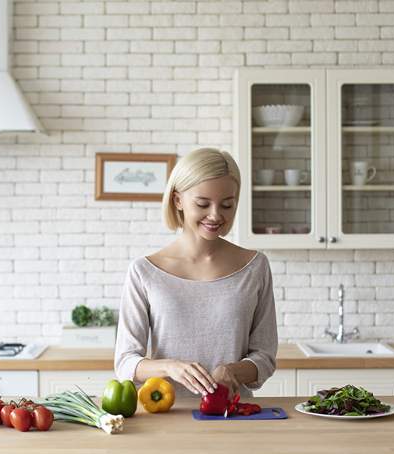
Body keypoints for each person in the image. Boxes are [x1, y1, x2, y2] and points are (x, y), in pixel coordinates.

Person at [114, 147, 278, 399]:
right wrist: (169, 366)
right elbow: (125, 363)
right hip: (166, 414)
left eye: (227, 205)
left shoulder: (254, 267)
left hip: (235, 414)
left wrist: (231, 371)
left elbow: (265, 356)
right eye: (202, 203)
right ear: (178, 200)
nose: (215, 215)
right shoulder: (144, 271)